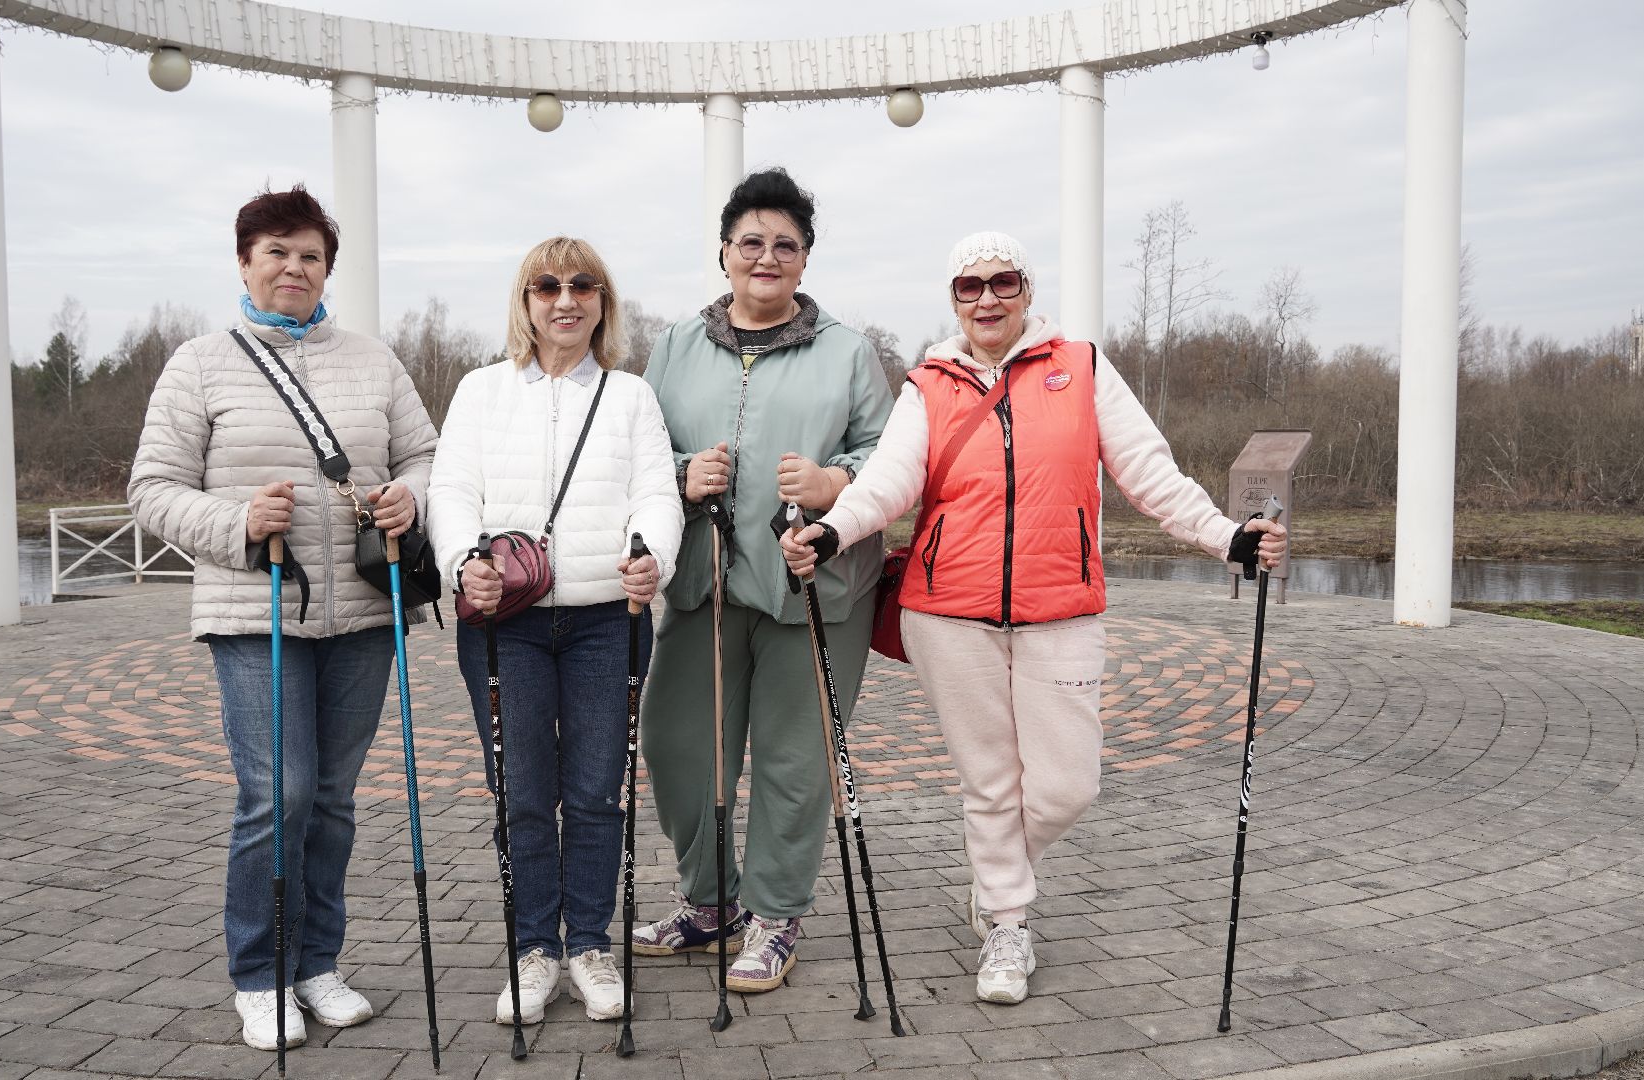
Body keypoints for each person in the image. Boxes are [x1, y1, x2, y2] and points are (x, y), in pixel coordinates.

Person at [780, 231, 1287, 1005]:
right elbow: (889, 480)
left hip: (1062, 609)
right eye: (968, 285)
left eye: (1002, 281)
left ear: (1025, 289)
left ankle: (993, 877)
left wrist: (1227, 538)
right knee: (989, 782)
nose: (986, 297)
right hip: (947, 613)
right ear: (953, 298)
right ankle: (1008, 923)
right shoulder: (930, 383)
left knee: (1064, 787)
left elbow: (1149, 472)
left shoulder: (1079, 368)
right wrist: (832, 527)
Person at [128, 184, 438, 1050]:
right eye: (276, 252)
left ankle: (317, 963)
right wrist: (235, 523)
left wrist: (406, 496)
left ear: (326, 268)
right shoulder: (199, 364)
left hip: (365, 618)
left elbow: (425, 453)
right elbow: (150, 490)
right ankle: (259, 974)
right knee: (280, 794)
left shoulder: (374, 361)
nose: (294, 268)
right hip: (253, 610)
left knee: (333, 799)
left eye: (309, 255)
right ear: (244, 262)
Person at [634, 168, 893, 993]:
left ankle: (775, 914)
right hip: (702, 588)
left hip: (811, 589)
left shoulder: (849, 351)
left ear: (805, 260)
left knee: (794, 760)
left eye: (786, 244)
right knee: (678, 747)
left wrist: (833, 483)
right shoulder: (672, 346)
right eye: (752, 242)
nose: (767, 256)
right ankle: (712, 905)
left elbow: (888, 458)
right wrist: (680, 473)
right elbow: (636, 453)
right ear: (723, 253)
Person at [428, 237, 683, 1025]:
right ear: (525, 300)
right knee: (524, 793)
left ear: (603, 302)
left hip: (607, 619)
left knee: (596, 792)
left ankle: (589, 945)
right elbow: (451, 489)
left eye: (582, 285)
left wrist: (653, 559)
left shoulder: (630, 397)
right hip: (506, 623)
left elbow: (656, 494)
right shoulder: (479, 390)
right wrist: (462, 559)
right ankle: (533, 948)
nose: (564, 299)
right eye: (547, 285)